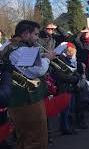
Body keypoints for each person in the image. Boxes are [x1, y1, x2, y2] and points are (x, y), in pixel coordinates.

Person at [1, 20, 56, 149]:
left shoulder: (9, 45)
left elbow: (21, 65)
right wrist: (48, 58)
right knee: (37, 138)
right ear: (26, 33)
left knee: (23, 138)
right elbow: (37, 71)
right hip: (28, 100)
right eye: (35, 34)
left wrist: (40, 56)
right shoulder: (22, 49)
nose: (37, 38)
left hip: (16, 101)